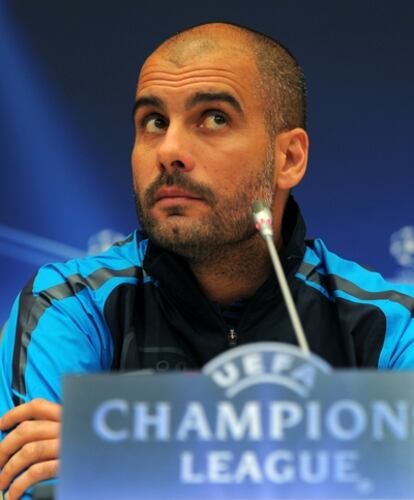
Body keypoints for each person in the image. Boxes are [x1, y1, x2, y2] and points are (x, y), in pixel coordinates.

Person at [1, 21, 414, 499]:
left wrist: (112, 446)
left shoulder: (390, 322)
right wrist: (342, 455)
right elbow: (34, 485)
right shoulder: (69, 303)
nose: (170, 150)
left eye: (214, 118)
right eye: (154, 121)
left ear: (290, 158)